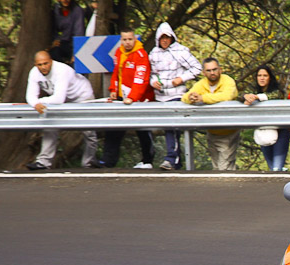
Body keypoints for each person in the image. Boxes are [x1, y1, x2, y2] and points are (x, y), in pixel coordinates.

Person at [24, 51, 98, 170]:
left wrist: (39, 102)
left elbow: (58, 98)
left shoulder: (61, 70)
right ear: (35, 65)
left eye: (46, 63)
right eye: (40, 65)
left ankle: (89, 162)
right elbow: (30, 96)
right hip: (59, 100)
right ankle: (44, 162)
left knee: (88, 130)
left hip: (81, 96)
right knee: (50, 125)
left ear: (51, 61)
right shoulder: (34, 73)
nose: (43, 67)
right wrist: (35, 103)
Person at [149, 22, 202, 170]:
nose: (165, 40)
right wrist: (153, 82)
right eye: (162, 38)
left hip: (176, 94)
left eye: (167, 37)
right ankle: (176, 162)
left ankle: (171, 159)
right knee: (168, 128)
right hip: (160, 96)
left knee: (172, 126)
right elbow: (151, 73)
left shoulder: (180, 51)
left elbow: (197, 67)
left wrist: (181, 78)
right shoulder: (154, 53)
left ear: (172, 37)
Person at [102, 28, 156, 169]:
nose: (127, 42)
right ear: (121, 40)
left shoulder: (141, 55)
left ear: (135, 39)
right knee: (114, 128)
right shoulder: (119, 52)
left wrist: (132, 98)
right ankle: (108, 161)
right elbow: (116, 73)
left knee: (143, 129)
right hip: (122, 97)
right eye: (124, 39)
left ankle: (147, 160)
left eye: (130, 39)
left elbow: (141, 79)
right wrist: (113, 90)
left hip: (140, 99)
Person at [181, 58, 240, 171]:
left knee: (224, 167)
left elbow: (227, 96)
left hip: (229, 131)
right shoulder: (201, 84)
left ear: (220, 70)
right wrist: (191, 98)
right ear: (204, 72)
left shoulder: (228, 81)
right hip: (212, 131)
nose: (212, 73)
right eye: (208, 70)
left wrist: (203, 98)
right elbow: (185, 97)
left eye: (214, 69)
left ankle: (228, 182)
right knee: (216, 168)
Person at [243, 64, 290, 171]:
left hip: (280, 131)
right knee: (271, 168)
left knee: (276, 169)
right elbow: (240, 95)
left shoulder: (277, 91)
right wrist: (246, 96)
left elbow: (277, 95)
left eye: (265, 75)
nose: (262, 78)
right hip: (264, 132)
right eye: (259, 75)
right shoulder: (253, 90)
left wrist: (256, 97)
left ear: (270, 77)